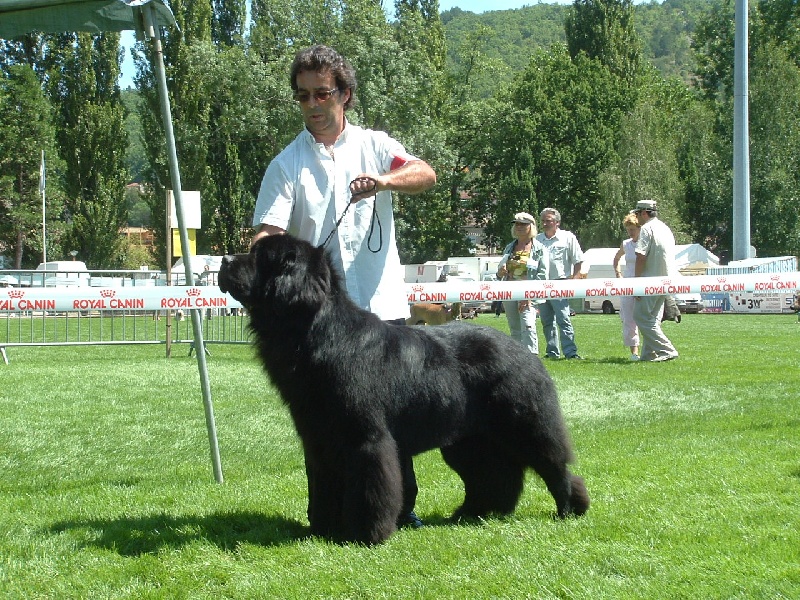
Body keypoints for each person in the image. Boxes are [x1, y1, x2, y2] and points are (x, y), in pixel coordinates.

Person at [251, 45, 437, 528]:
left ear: (346, 95)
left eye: (322, 93)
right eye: (303, 96)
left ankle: (400, 508)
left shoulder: (376, 145)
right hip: (322, 323)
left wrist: (383, 181)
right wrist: (266, 246)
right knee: (323, 420)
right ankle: (328, 511)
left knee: (390, 418)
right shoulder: (286, 164)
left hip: (380, 307)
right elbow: (268, 231)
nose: (313, 104)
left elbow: (425, 173)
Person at [632, 200, 679, 362]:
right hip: (666, 280)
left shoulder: (646, 229)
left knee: (640, 317)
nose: (636, 217)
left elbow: (640, 256)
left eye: (637, 213)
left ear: (644, 213)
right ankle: (648, 355)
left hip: (650, 281)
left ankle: (667, 350)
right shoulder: (665, 228)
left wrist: (636, 283)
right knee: (651, 319)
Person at [496, 212, 549, 355]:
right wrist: (501, 271)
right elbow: (499, 273)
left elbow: (542, 275)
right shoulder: (509, 247)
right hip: (510, 292)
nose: (519, 227)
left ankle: (532, 357)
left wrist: (530, 296)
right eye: (517, 224)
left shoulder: (539, 249)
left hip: (529, 293)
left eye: (523, 224)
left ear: (531, 227)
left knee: (528, 325)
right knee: (515, 329)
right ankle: (517, 359)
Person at [535, 208, 584, 359]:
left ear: (557, 222)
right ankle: (552, 352)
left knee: (563, 319)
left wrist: (574, 281)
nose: (544, 223)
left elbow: (578, 260)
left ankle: (570, 352)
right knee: (546, 321)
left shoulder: (567, 237)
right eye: (542, 220)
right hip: (541, 284)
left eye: (548, 220)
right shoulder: (537, 239)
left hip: (560, 283)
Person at [612, 212, 641, 361]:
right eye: (628, 229)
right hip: (628, 283)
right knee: (629, 319)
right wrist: (618, 274)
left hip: (643, 282)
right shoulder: (626, 244)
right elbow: (616, 258)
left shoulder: (645, 243)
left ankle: (651, 348)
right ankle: (634, 352)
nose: (631, 232)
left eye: (633, 229)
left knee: (645, 317)